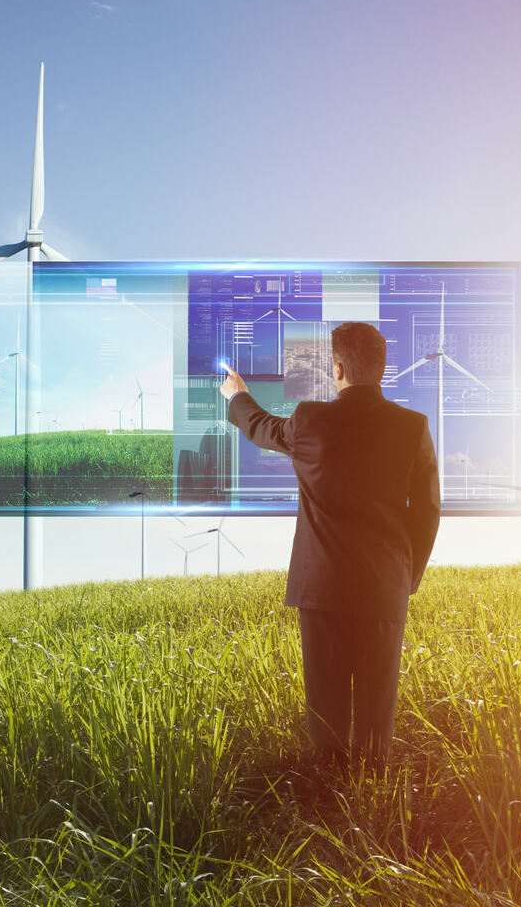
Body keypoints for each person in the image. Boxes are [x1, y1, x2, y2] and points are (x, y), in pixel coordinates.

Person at [219, 321, 440, 771]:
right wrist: (406, 578)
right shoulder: (412, 427)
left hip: (322, 590)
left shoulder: (309, 421)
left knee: (327, 718)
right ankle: (373, 807)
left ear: (337, 368)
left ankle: (329, 800)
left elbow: (260, 427)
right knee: (377, 720)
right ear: (381, 368)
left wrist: (236, 396)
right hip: (383, 589)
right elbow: (427, 512)